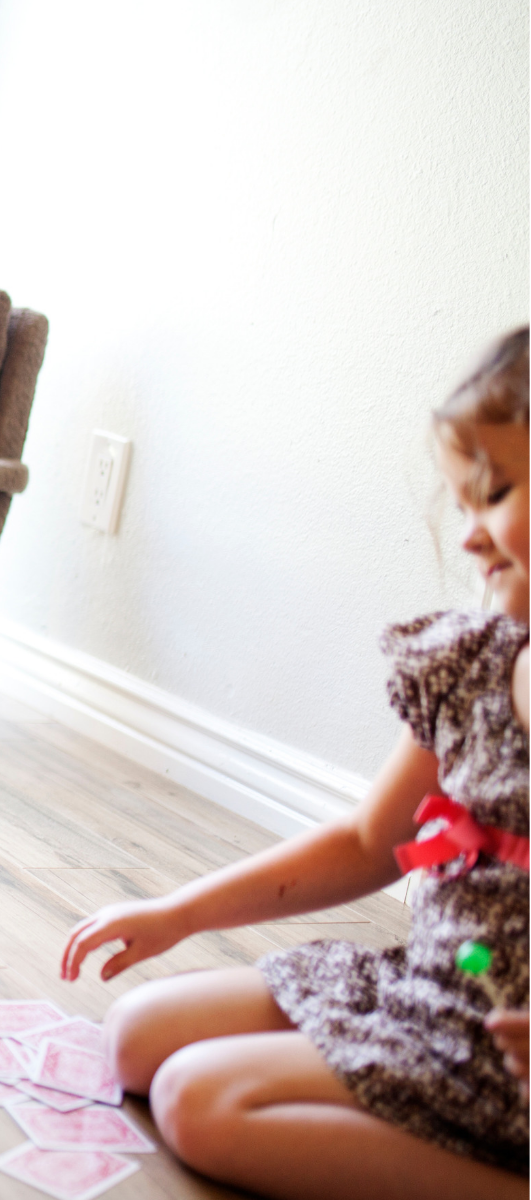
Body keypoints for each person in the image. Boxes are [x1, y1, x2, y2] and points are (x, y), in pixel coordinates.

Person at [60, 326, 531, 1198]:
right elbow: (368, 841)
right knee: (133, 1037)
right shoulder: (466, 664)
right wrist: (180, 912)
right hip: (433, 989)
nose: (469, 537)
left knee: (199, 1104)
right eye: (460, 505)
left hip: (509, 1071)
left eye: (495, 494)